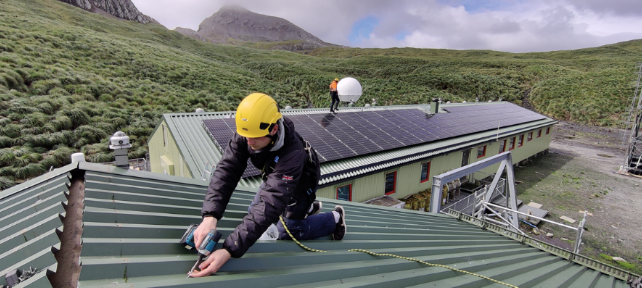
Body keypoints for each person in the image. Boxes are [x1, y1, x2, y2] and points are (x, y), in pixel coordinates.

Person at [190, 93, 347, 277]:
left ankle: (335, 219)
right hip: (276, 176)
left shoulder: (292, 154)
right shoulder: (250, 130)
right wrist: (210, 216)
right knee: (253, 211)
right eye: (245, 136)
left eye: (254, 138)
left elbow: (271, 203)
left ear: (273, 130)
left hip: (301, 183)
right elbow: (227, 170)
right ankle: (308, 208)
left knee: (286, 230)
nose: (248, 142)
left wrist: (229, 250)